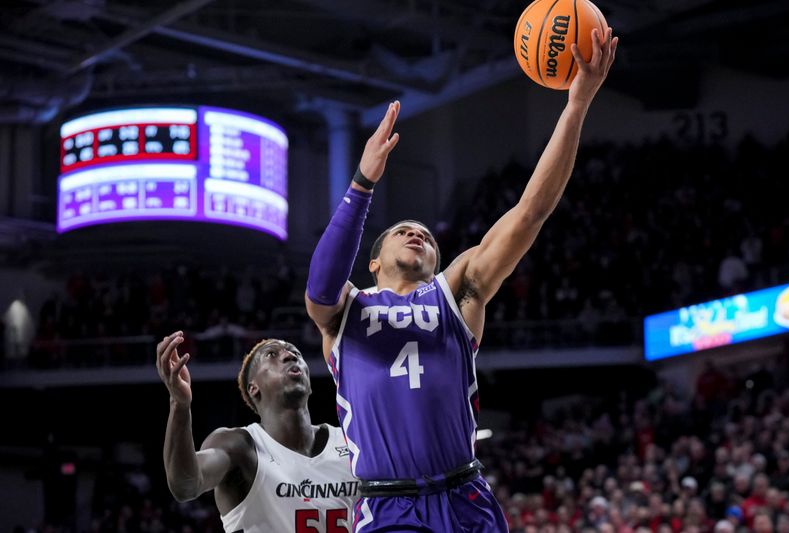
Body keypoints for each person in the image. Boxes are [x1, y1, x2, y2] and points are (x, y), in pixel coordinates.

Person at [305, 28, 618, 532]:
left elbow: (531, 213)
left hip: (464, 497)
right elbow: (320, 286)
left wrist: (576, 106)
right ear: (373, 261)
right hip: (388, 507)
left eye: (425, 235)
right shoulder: (346, 312)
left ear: (437, 257)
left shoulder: (458, 290)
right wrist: (362, 183)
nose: (415, 234)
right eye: (403, 231)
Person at [157, 331, 358, 532]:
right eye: (271, 354)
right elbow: (185, 486)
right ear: (254, 388)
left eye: (295, 353)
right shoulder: (239, 446)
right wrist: (179, 405)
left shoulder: (351, 441)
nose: (289, 356)